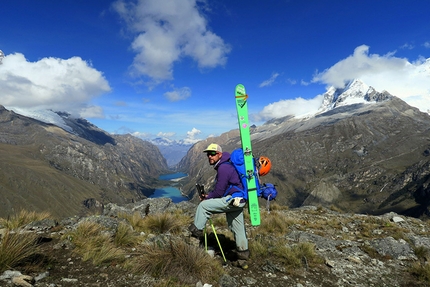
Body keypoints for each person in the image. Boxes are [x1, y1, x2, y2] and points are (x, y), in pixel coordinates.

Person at [188, 143, 250, 261]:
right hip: (239, 200)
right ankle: (242, 258)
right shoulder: (227, 165)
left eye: (212, 154)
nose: (209, 156)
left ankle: (195, 239)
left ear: (219, 154)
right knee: (238, 228)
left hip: (233, 200)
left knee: (203, 206)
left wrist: (207, 198)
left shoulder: (223, 168)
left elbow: (219, 192)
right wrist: (209, 196)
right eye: (208, 154)